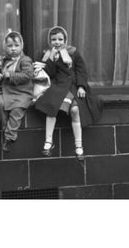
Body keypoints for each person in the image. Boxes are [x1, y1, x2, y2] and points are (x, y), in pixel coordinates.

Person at [34, 26, 102, 161]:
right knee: (51, 109)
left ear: (65, 40)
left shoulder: (73, 53)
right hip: (58, 86)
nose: (57, 42)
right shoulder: (48, 54)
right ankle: (48, 141)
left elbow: (81, 71)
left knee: (75, 110)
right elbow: (50, 73)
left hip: (73, 87)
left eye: (60, 39)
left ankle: (79, 146)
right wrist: (51, 60)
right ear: (50, 41)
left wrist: (82, 86)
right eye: (53, 39)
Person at [0, 31, 34, 153]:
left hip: (22, 92)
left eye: (16, 45)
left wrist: (10, 75)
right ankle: (5, 129)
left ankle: (10, 136)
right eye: (9, 46)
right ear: (5, 47)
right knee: (0, 104)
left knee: (17, 110)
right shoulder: (3, 59)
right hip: (6, 90)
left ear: (22, 46)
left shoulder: (25, 60)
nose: (13, 49)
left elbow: (27, 75)